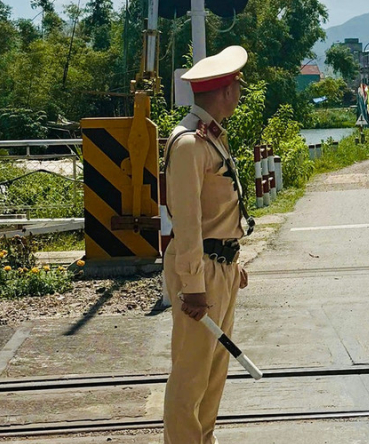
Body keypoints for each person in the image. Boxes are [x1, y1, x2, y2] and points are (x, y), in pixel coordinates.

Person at [163, 45, 252, 444]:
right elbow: (187, 222)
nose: (239, 93)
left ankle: (204, 438)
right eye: (238, 86)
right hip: (201, 270)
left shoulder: (211, 137)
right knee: (191, 374)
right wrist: (194, 286)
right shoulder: (188, 143)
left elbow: (216, 213)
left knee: (214, 371)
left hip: (220, 267)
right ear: (226, 91)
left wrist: (232, 260)